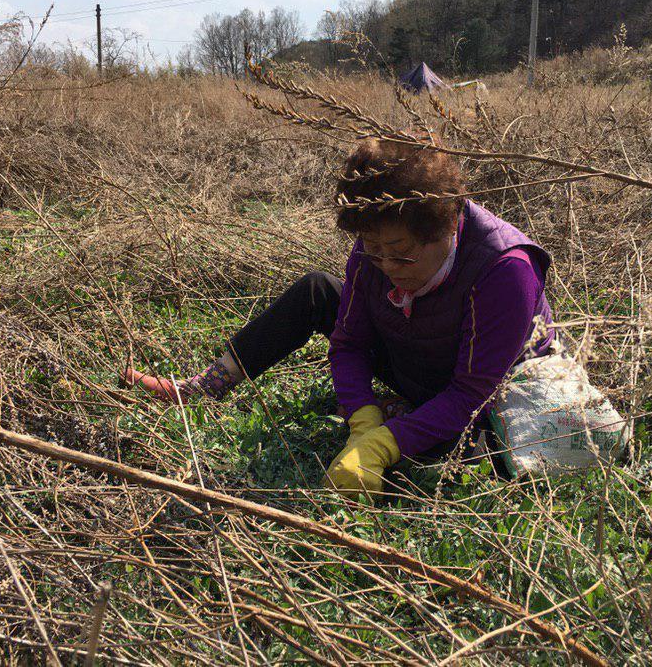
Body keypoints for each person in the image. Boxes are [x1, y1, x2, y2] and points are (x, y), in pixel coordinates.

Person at [121, 137, 568, 498]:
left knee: (477, 450)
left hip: (487, 392)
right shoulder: (374, 247)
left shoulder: (505, 270)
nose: (386, 266)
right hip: (415, 355)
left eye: (400, 254)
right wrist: (363, 418)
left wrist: (384, 445)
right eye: (372, 250)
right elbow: (350, 343)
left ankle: (409, 420)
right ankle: (205, 386)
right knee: (316, 290)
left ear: (446, 227)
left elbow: (470, 393)